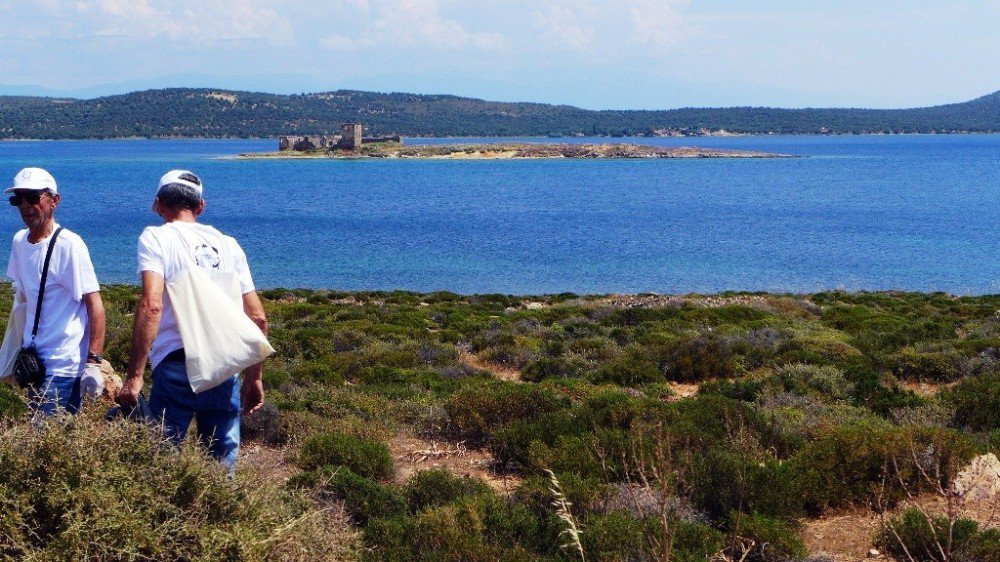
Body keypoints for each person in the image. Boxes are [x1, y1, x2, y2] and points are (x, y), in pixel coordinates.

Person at [118, 170, 267, 469]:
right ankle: (222, 514)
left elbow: (152, 306)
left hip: (176, 363)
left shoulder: (156, 238)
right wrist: (255, 378)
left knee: (161, 458)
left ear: (160, 205)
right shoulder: (229, 245)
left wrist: (135, 376)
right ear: (200, 207)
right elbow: (257, 317)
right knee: (221, 460)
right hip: (224, 366)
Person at [5, 167, 106, 415]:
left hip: (62, 368)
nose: (26, 205)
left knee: (46, 444)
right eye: (19, 199)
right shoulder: (20, 241)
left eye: (33, 197)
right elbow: (24, 299)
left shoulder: (69, 245)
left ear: (54, 200)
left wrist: (93, 361)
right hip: (32, 365)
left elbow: (95, 305)